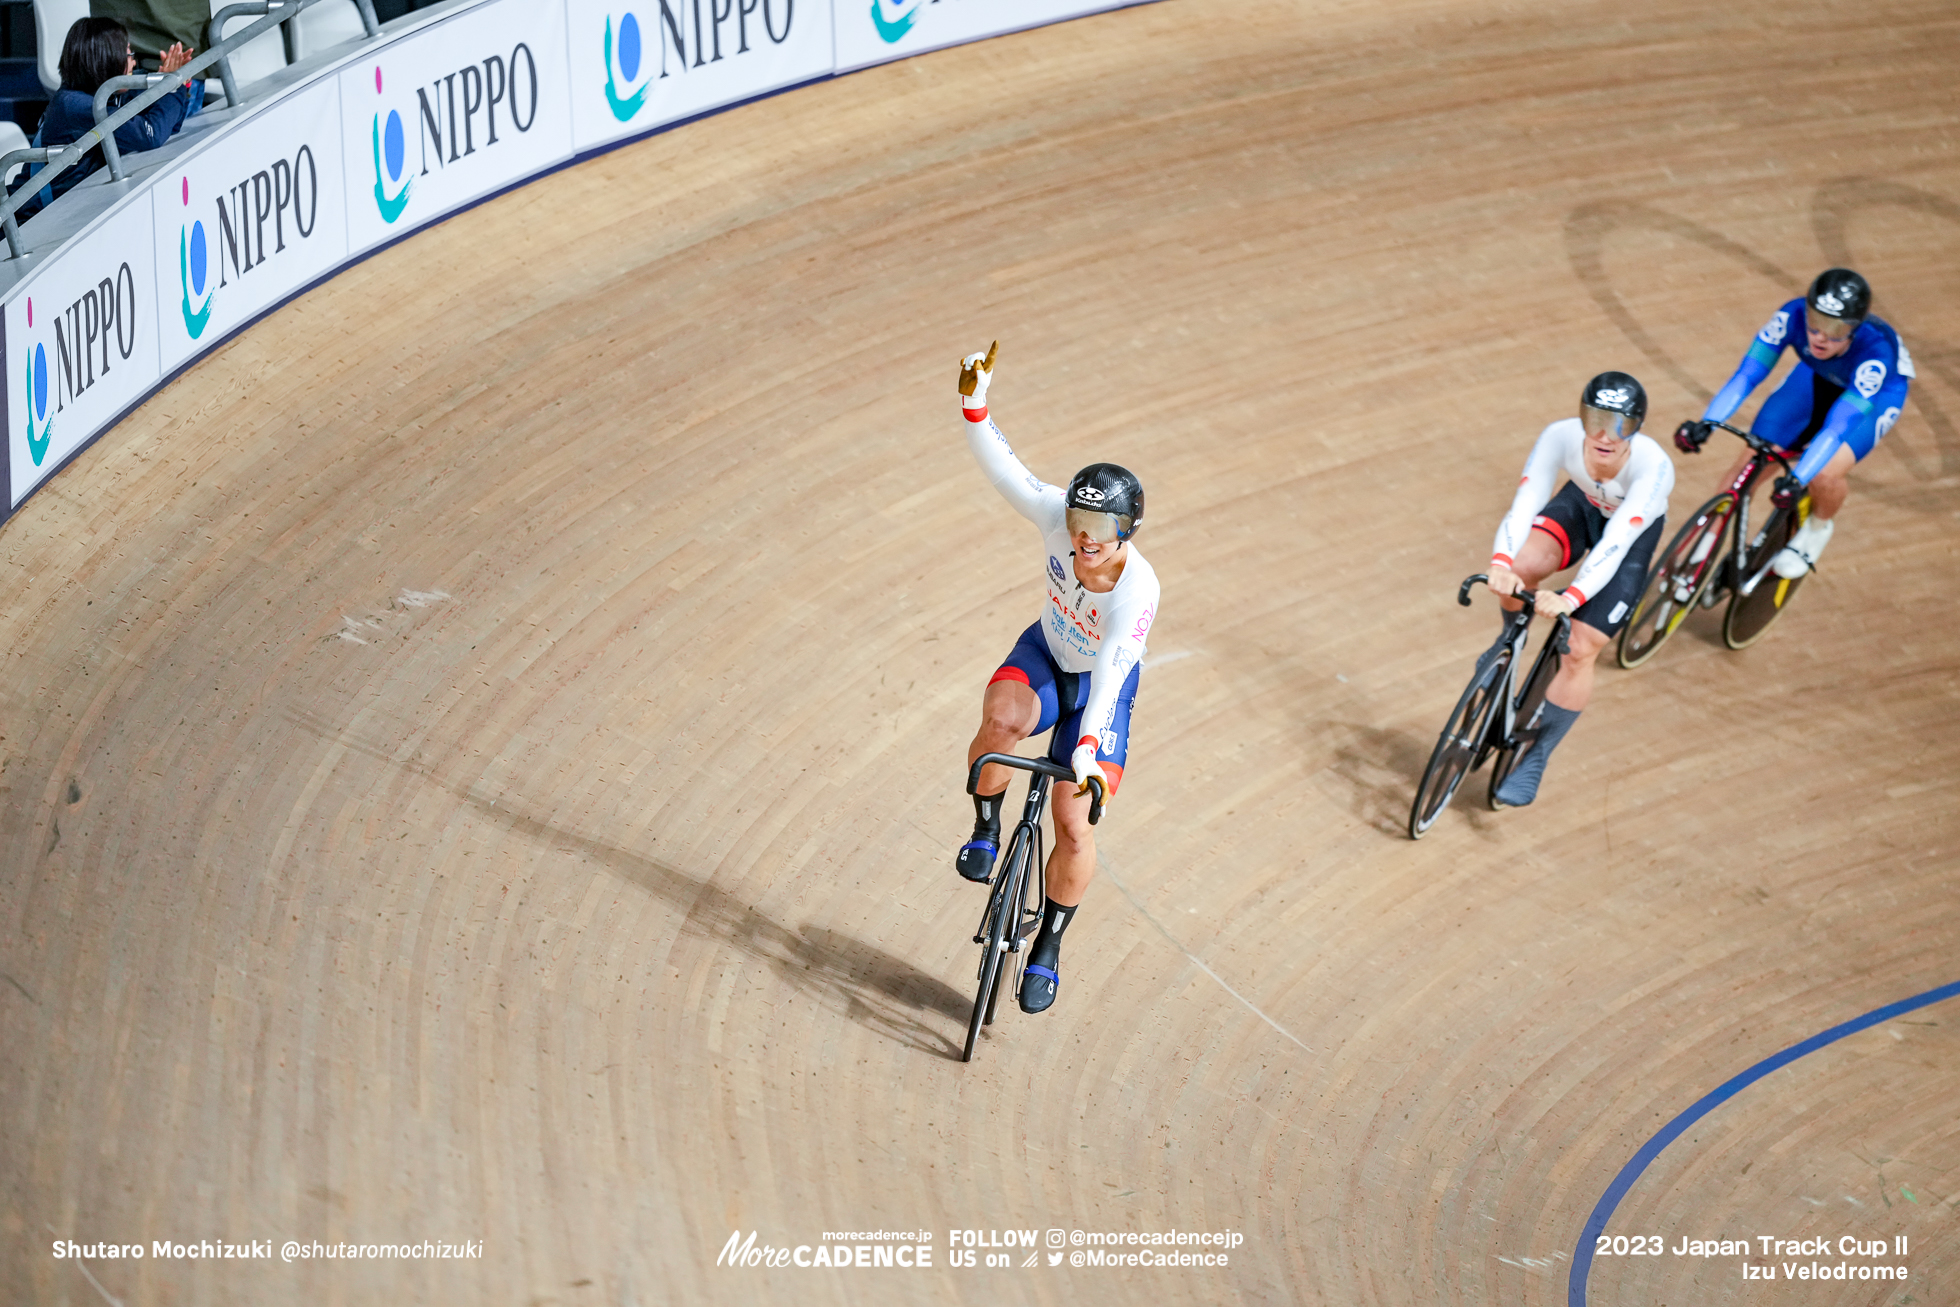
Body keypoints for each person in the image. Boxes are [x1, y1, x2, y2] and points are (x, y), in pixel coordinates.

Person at [954, 342, 1160, 1015]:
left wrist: (1087, 755)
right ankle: (987, 826)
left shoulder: (1137, 593)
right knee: (1002, 723)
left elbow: (1109, 679)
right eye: (1078, 521)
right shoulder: (1055, 517)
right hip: (1045, 655)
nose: (1084, 536)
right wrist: (974, 403)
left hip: (1096, 694)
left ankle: (1048, 941)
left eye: (1101, 526)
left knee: (1074, 820)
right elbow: (1005, 471)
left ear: (1126, 530)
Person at [1484, 372, 1673, 807]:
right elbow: (1524, 507)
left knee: (1580, 648)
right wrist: (1500, 564)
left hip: (1628, 535)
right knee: (1522, 566)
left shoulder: (1654, 467)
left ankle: (1537, 755)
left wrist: (1570, 598)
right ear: (1582, 417)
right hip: (1582, 505)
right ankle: (1508, 641)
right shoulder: (1560, 436)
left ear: (1637, 427)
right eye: (1595, 419)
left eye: (1620, 424)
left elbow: (1616, 544)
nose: (1605, 435)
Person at [1674, 269, 1914, 578]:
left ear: (1854, 330)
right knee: (1751, 462)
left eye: (1835, 328)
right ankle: (1704, 546)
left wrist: (1797, 479)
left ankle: (1818, 527)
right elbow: (1746, 376)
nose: (1821, 336)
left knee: (1824, 473)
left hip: (1875, 396)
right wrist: (1707, 424)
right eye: (1815, 322)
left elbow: (1836, 427)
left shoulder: (1875, 356)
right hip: (1817, 377)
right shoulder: (1791, 316)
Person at [14, 18, 196, 217]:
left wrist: (174, 87)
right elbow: (149, 135)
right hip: (26, 221)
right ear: (106, 58)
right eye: (128, 54)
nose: (133, 61)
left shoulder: (104, 95)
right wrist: (170, 88)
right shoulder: (76, 106)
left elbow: (169, 126)